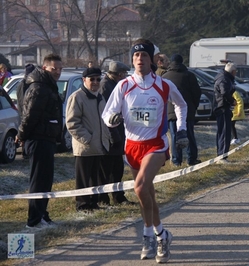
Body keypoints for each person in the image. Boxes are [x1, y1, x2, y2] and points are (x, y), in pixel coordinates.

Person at [102, 38, 188, 263]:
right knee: (146, 194)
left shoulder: (163, 84)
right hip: (131, 146)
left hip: (155, 144)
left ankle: (154, 235)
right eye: (136, 56)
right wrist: (112, 119)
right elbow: (107, 112)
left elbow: (182, 104)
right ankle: (156, 235)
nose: (140, 59)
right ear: (132, 60)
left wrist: (181, 130)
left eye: (144, 56)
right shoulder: (124, 85)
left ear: (152, 60)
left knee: (139, 187)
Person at [16, 54, 63, 229]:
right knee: (38, 181)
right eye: (54, 69)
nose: (57, 72)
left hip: (46, 138)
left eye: (60, 69)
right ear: (44, 68)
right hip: (38, 139)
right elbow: (29, 116)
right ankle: (34, 221)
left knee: (45, 180)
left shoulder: (48, 86)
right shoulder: (39, 88)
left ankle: (42, 215)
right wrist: (21, 135)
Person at [66, 67, 110, 212]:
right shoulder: (77, 97)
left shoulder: (100, 97)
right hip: (84, 148)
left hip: (98, 146)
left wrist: (105, 138)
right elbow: (72, 123)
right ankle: (82, 204)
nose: (96, 82)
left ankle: (93, 203)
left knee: (95, 178)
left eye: (98, 79)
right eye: (92, 79)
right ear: (84, 80)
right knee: (83, 179)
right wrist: (88, 139)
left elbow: (103, 121)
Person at [99, 61, 134, 205]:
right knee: (107, 169)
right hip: (110, 133)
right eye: (124, 74)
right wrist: (114, 136)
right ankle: (104, 198)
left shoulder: (113, 85)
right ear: (119, 74)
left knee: (117, 168)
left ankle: (118, 196)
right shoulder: (106, 87)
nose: (125, 77)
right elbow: (107, 114)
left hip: (118, 130)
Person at [162, 54, 202, 166]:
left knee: (174, 136)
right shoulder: (189, 75)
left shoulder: (165, 76)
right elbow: (197, 92)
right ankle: (192, 158)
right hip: (187, 110)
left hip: (170, 111)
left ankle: (176, 160)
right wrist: (194, 106)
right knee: (189, 135)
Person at [214, 62, 237, 163]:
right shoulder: (224, 79)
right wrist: (232, 101)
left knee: (222, 132)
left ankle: (221, 154)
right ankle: (222, 156)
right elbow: (224, 92)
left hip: (221, 106)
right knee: (224, 132)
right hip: (222, 107)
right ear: (233, 71)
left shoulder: (223, 77)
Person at [15, 63, 36, 160]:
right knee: (25, 132)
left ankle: (26, 152)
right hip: (24, 113)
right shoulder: (23, 85)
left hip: (25, 112)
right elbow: (23, 101)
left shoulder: (26, 84)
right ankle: (25, 153)